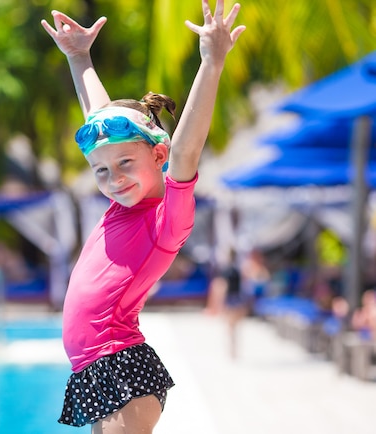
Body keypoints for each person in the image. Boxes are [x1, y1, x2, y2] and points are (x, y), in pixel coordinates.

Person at [41, 1, 245, 432]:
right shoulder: (123, 205)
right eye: (102, 171)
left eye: (126, 165)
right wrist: (79, 58)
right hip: (98, 365)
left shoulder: (167, 218)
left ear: (157, 155)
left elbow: (187, 148)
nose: (113, 179)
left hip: (121, 363)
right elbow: (98, 121)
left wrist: (212, 62)